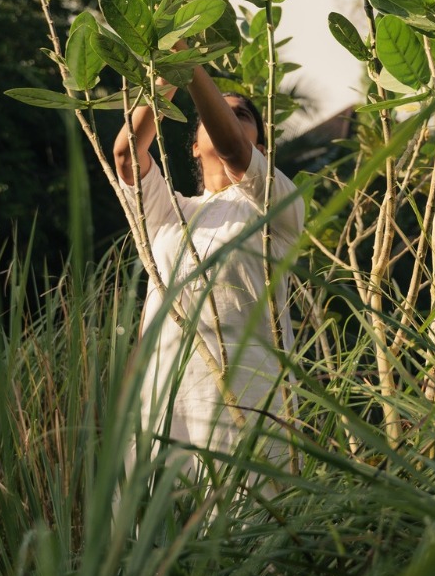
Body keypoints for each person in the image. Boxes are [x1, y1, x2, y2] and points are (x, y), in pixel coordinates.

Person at [113, 59, 304, 481]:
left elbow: (234, 149)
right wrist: (167, 65)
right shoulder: (169, 213)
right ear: (194, 147)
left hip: (250, 403)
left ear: (262, 150)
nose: (228, 119)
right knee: (159, 520)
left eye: (242, 115)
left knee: (243, 516)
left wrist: (189, 60)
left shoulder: (275, 203)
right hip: (163, 405)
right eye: (217, 112)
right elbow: (126, 154)